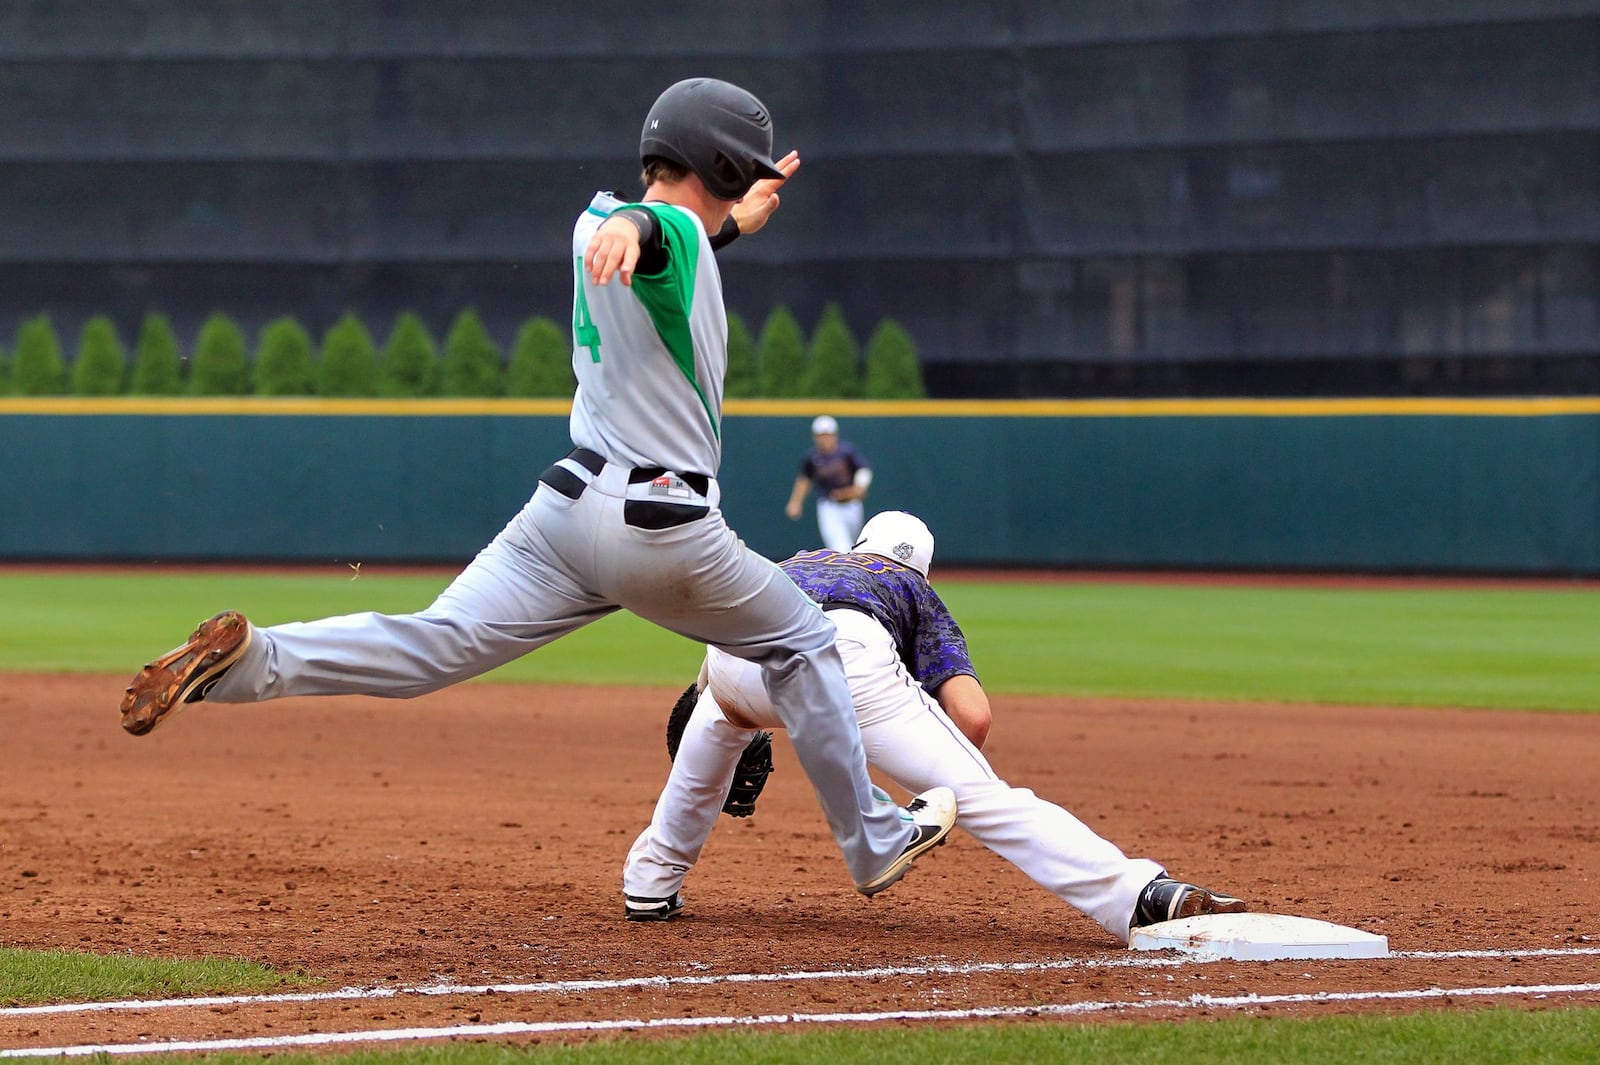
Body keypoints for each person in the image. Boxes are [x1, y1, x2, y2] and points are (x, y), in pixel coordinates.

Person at [118, 77, 957, 911]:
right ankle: (873, 842)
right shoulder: (650, 230)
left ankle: (252, 660)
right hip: (666, 529)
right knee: (804, 644)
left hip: (564, 513)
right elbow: (659, 230)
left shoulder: (592, 221)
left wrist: (721, 224)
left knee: (434, 640)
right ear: (723, 161)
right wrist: (661, 225)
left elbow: (660, 239)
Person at [624, 511, 1246, 939]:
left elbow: (714, 672)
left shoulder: (806, 556)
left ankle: (649, 883)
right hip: (845, 656)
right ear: (924, 566)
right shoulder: (912, 589)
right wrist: (932, 773)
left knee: (718, 725)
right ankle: (1137, 896)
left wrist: (720, 702)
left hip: (735, 649)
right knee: (988, 799)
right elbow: (972, 716)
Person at [785, 415, 871, 552]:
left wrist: (859, 488)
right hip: (829, 506)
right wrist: (795, 502)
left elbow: (863, 470)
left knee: (856, 546)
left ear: (835, 435)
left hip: (852, 505)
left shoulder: (846, 452)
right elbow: (804, 480)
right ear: (815, 437)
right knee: (840, 548)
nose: (824, 439)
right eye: (821, 435)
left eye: (828, 435)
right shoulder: (812, 457)